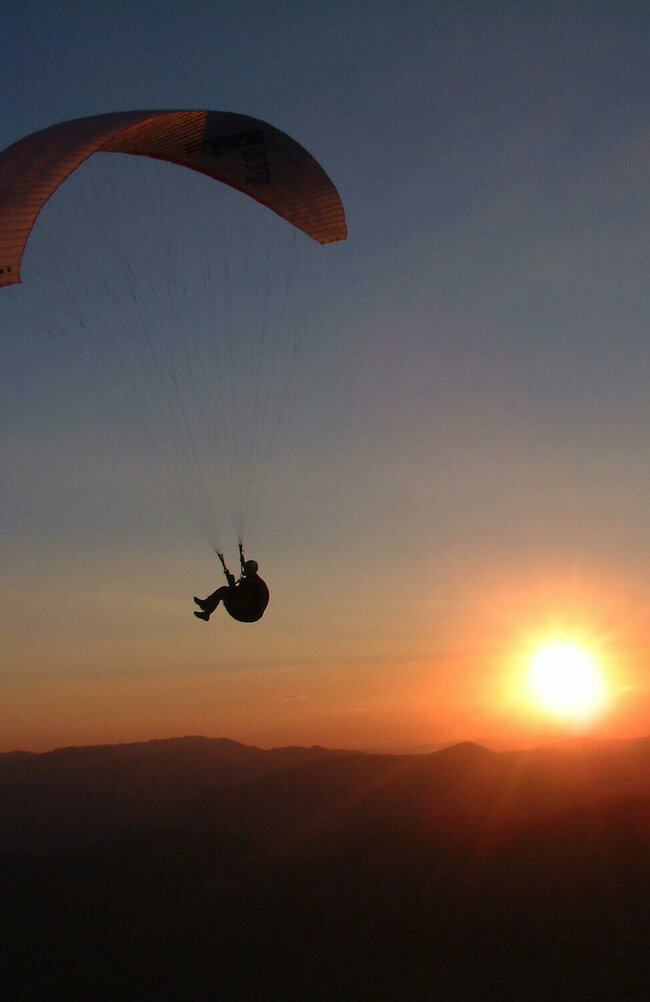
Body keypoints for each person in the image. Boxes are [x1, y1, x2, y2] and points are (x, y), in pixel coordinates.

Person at [194, 548, 269, 623]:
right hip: (250, 612)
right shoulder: (255, 581)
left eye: (246, 569)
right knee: (225, 591)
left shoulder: (252, 584)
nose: (244, 570)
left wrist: (231, 584)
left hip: (247, 614)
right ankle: (206, 609)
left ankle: (206, 609)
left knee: (223, 591)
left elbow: (238, 600)